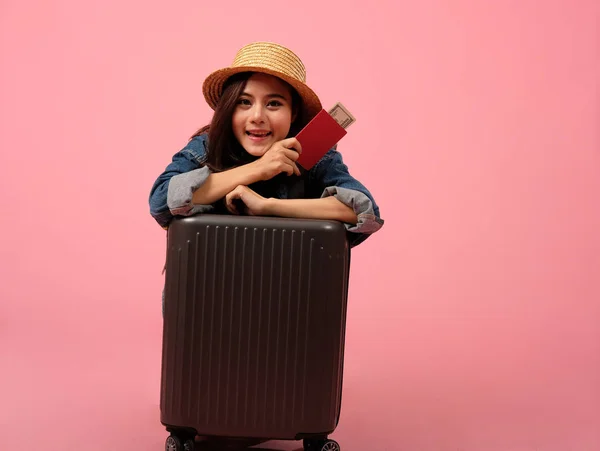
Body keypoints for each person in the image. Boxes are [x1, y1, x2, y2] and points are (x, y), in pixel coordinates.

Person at [149, 42, 383, 247]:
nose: (257, 116)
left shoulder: (313, 155)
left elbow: (365, 212)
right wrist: (258, 168)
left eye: (273, 103)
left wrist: (267, 206)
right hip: (209, 288)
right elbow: (160, 201)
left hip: (288, 288)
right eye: (244, 102)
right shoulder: (207, 147)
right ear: (229, 109)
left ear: (293, 114)